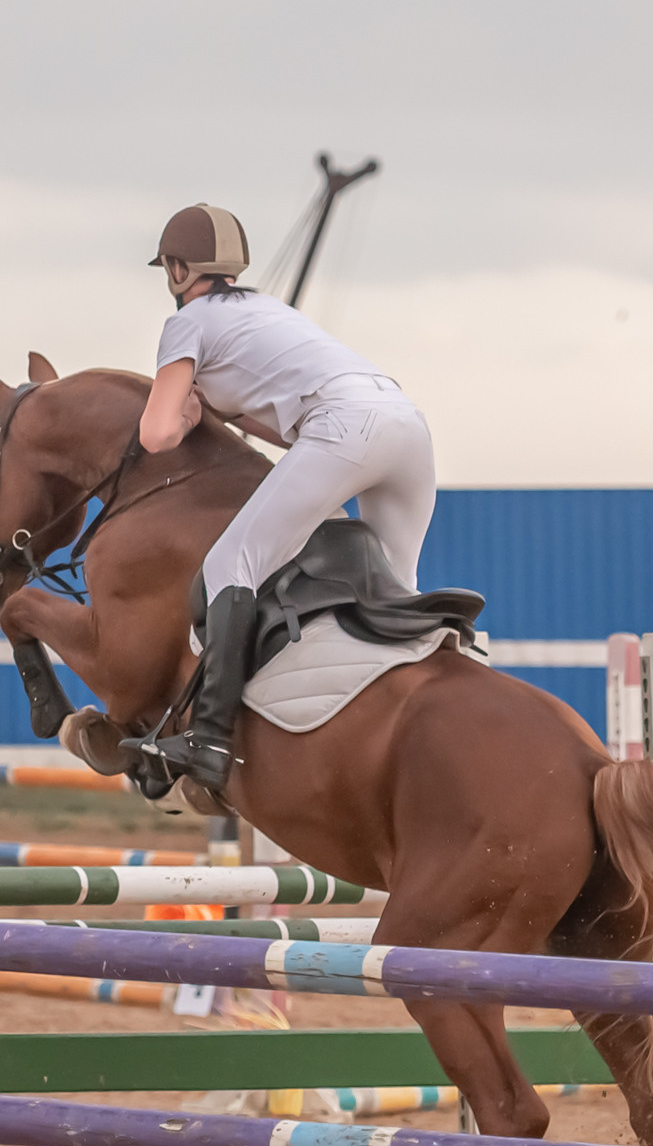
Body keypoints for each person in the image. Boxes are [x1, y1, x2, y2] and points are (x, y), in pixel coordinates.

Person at [137, 203, 438, 793]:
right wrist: (233, 413)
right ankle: (411, 728)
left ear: (177, 269)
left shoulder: (188, 322)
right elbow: (289, 427)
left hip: (345, 425)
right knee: (399, 594)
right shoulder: (270, 311)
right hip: (407, 424)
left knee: (232, 564)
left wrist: (192, 412)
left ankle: (211, 740)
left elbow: (155, 434)